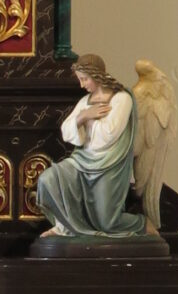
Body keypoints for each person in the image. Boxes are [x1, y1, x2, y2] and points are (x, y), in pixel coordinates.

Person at [33, 54, 150, 240]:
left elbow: (108, 135)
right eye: (80, 80)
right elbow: (67, 131)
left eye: (84, 79)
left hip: (109, 165)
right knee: (48, 179)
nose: (82, 85)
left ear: (96, 75)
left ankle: (144, 225)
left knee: (107, 223)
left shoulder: (121, 99)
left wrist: (88, 121)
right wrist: (83, 116)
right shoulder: (85, 101)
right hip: (81, 161)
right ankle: (64, 227)